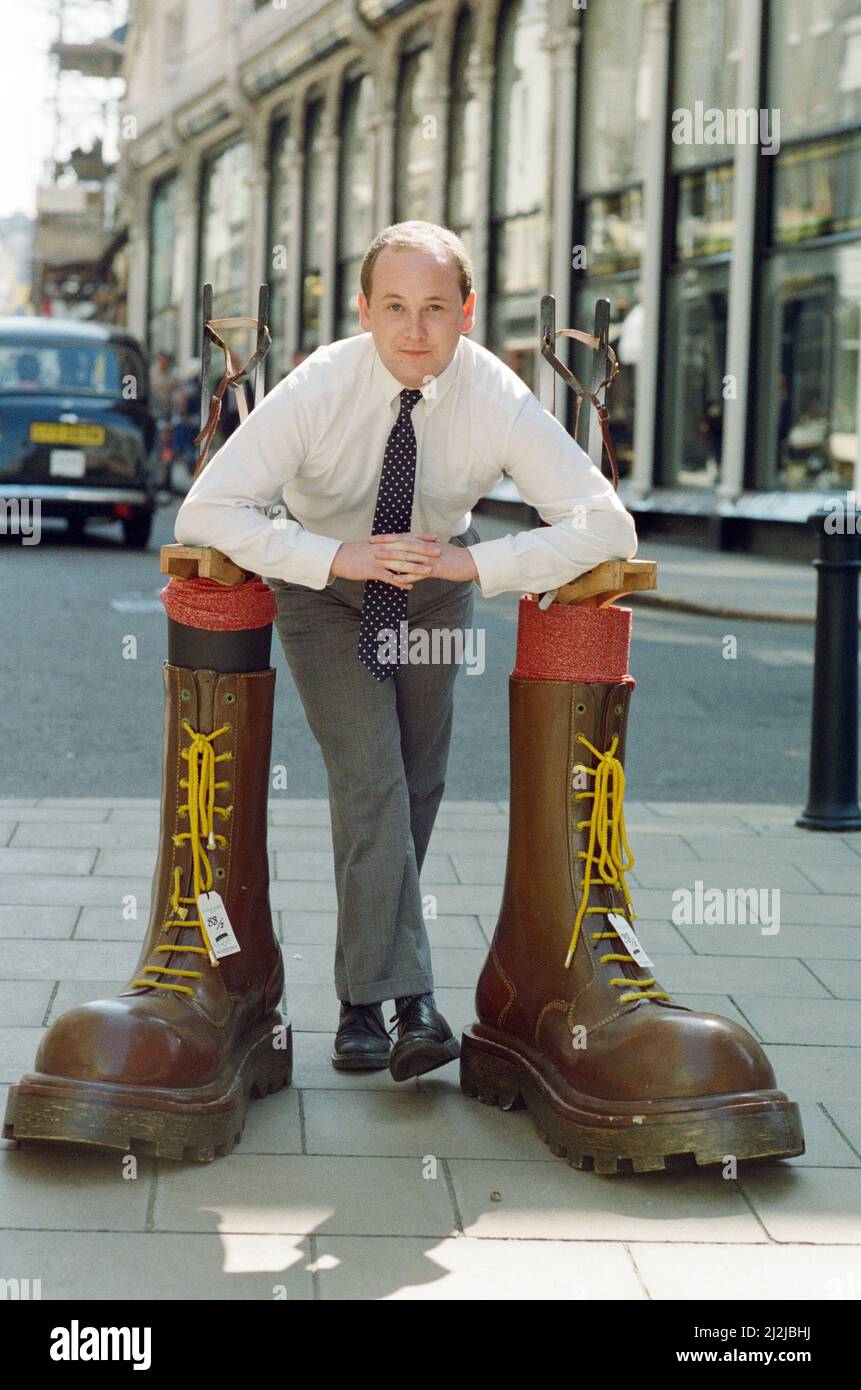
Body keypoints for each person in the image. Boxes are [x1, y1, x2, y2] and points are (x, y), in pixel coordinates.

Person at [173, 219, 638, 1081]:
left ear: (466, 313)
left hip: (433, 584)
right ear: (363, 309)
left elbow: (604, 521)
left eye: (433, 308)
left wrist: (478, 562)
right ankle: (413, 1003)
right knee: (372, 774)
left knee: (415, 781)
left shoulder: (492, 392)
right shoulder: (319, 386)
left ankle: (358, 1004)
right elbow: (203, 513)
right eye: (393, 306)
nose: (413, 330)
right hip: (323, 587)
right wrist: (331, 555)